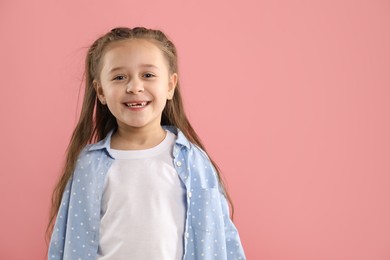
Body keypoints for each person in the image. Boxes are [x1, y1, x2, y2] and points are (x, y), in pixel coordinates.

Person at [47, 27, 246, 260]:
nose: (134, 87)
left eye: (148, 75)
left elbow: (223, 237)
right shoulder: (88, 165)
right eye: (119, 77)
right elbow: (68, 242)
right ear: (101, 91)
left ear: (170, 86)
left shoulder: (193, 161)